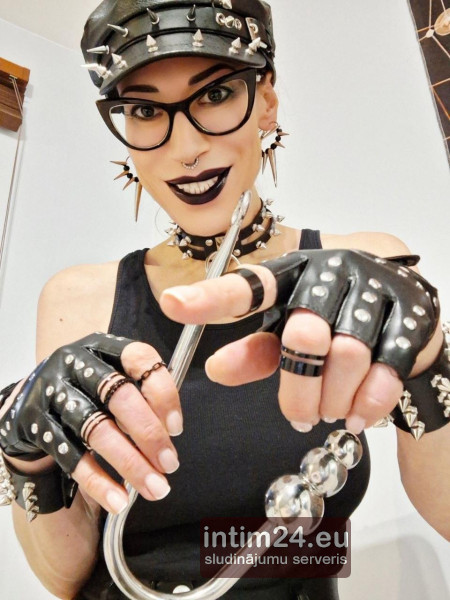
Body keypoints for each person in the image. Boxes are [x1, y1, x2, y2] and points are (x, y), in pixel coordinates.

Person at [0, 1, 449, 599]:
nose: (186, 147)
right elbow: (64, 577)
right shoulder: (76, 299)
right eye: (145, 110)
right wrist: (26, 458)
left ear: (266, 99)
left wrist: (428, 361)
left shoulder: (367, 272)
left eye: (215, 95)